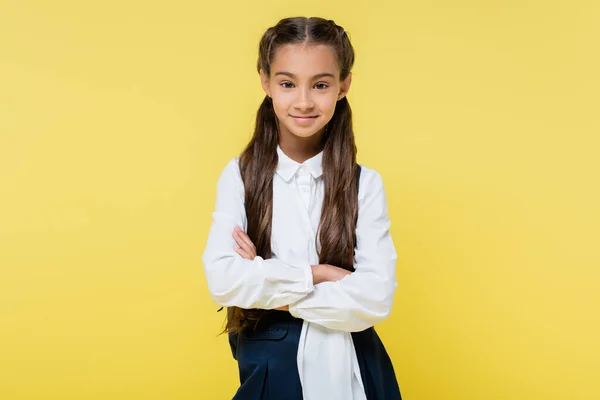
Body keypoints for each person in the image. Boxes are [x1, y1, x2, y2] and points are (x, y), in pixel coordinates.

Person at [202, 16, 402, 400]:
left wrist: (263, 277)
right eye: (288, 83)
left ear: (343, 86)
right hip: (271, 370)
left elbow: (377, 297)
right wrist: (322, 273)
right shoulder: (241, 176)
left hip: (359, 369)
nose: (305, 101)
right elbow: (223, 280)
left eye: (321, 84)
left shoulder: (366, 184)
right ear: (266, 82)